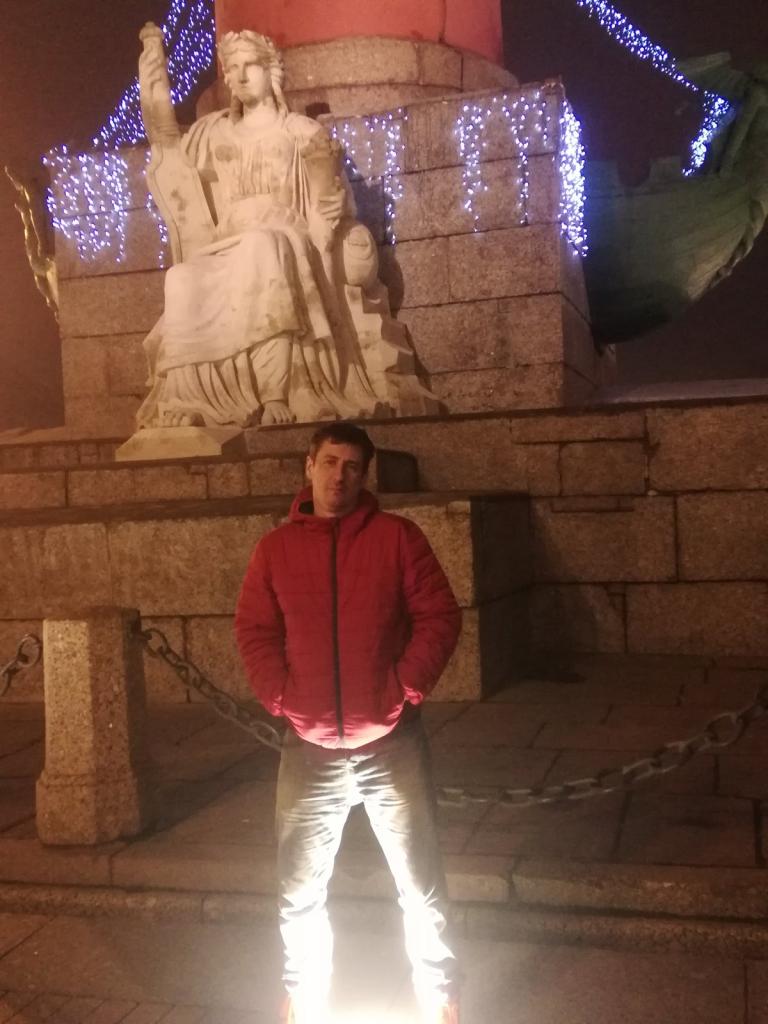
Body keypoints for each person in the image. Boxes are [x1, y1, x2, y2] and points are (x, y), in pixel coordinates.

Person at [235, 421, 462, 1024]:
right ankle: (304, 998)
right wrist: (281, 697)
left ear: (365, 476)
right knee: (298, 892)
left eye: (353, 467)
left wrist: (403, 689)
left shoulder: (398, 538)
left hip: (390, 743)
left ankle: (439, 997)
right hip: (308, 748)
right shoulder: (275, 549)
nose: (340, 476)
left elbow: (439, 616)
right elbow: (255, 629)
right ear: (308, 467)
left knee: (421, 887)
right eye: (331, 462)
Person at [136, 28, 436, 431]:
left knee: (262, 248)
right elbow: (167, 142)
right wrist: (153, 84)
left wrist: (332, 204)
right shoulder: (213, 132)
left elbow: (334, 198)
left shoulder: (301, 131)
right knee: (181, 279)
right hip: (226, 242)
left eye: (251, 66)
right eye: (233, 69)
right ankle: (188, 397)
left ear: (272, 71)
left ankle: (275, 391)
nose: (241, 76)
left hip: (285, 236)